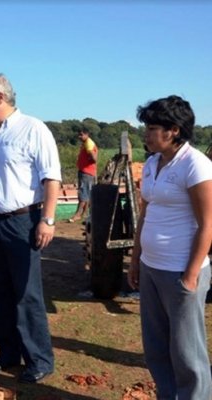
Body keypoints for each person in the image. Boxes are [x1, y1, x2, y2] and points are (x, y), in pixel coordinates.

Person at [0, 74, 60, 383]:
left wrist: (47, 219)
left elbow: (51, 178)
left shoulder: (33, 129)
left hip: (23, 221)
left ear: (1, 98)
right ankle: (8, 353)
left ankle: (39, 360)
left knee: (26, 294)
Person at [127, 95, 212, 399]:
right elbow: (145, 216)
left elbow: (207, 225)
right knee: (156, 346)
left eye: (151, 128)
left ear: (173, 130)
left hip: (180, 271)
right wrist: (136, 261)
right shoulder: (151, 164)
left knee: (187, 353)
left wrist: (190, 276)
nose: (146, 134)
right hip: (152, 267)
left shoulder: (195, 165)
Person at [68, 127, 98, 223]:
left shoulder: (89, 144)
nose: (79, 136)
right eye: (79, 134)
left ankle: (78, 215)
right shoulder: (87, 143)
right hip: (88, 172)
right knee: (87, 193)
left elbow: (94, 158)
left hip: (86, 172)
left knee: (82, 193)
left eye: (81, 134)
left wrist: (89, 161)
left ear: (86, 134)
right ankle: (84, 214)